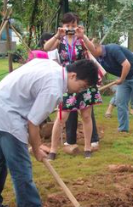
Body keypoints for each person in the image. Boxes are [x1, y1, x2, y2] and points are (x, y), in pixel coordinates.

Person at [0, 58, 98, 207]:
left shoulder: (52, 66)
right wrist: (36, 148)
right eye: (83, 86)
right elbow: (32, 123)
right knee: (21, 169)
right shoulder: (53, 89)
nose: (81, 91)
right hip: (7, 115)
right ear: (73, 75)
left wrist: (36, 145)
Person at [44, 12, 102, 160]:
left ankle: (88, 148)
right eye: (67, 25)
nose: (70, 28)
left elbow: (95, 52)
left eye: (73, 25)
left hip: (85, 82)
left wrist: (84, 37)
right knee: (61, 117)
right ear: (62, 26)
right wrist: (57, 35)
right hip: (67, 82)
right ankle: (53, 149)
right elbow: (46, 48)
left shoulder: (81, 40)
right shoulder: (60, 40)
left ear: (78, 26)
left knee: (86, 115)